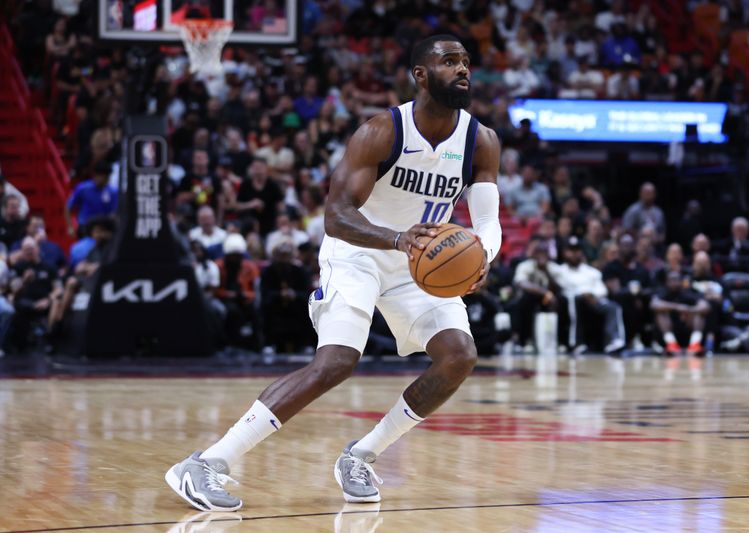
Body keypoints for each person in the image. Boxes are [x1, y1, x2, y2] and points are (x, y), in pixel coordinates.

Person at [165, 34, 502, 511]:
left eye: (466, 61)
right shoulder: (382, 131)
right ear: (421, 75)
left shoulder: (480, 139)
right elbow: (336, 216)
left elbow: (487, 221)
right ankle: (205, 463)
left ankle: (362, 455)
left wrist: (484, 255)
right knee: (338, 361)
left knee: (459, 356)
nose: (462, 68)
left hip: (421, 262)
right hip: (358, 252)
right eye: (449, 61)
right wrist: (397, 238)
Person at [548, 237, 625, 354]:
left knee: (613, 306)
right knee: (574, 300)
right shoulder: (559, 271)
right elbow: (563, 288)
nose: (574, 254)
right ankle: (576, 343)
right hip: (573, 301)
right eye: (571, 251)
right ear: (565, 253)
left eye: (577, 250)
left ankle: (614, 341)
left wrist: (592, 295)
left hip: (594, 301)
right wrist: (583, 294)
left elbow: (602, 290)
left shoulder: (591, 271)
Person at [651, 271, 709, 356]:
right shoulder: (662, 292)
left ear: (681, 281)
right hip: (669, 331)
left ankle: (694, 344)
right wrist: (677, 307)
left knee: (700, 314)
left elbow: (705, 306)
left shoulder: (688, 293)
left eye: (676, 280)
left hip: (687, 329)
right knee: (660, 314)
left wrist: (689, 311)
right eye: (671, 280)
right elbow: (654, 305)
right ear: (666, 282)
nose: (674, 283)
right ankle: (672, 344)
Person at [65, 161, 118, 236]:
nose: (99, 179)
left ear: (108, 177)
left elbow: (114, 212)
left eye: (103, 177)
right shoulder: (83, 188)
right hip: (85, 227)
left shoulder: (113, 192)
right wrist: (70, 227)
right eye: (97, 176)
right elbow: (68, 207)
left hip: (103, 229)